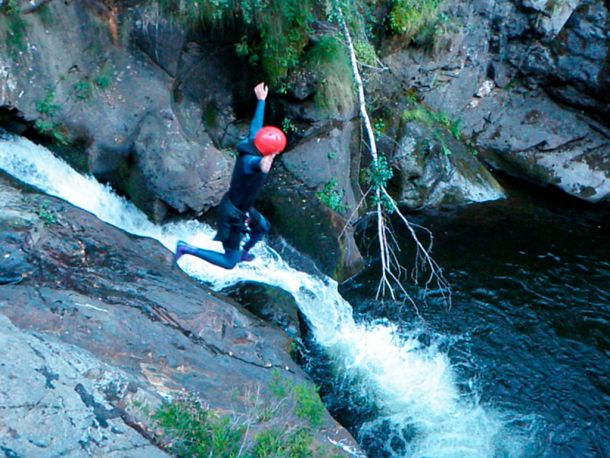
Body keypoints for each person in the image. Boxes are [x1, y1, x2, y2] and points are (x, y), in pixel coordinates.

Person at [174, 82, 286, 269]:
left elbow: (256, 126)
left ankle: (244, 252)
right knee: (229, 263)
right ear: (268, 152)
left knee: (263, 227)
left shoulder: (253, 144)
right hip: (232, 214)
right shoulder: (251, 162)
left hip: (241, 207)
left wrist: (261, 100)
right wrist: (268, 160)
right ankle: (186, 249)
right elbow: (259, 166)